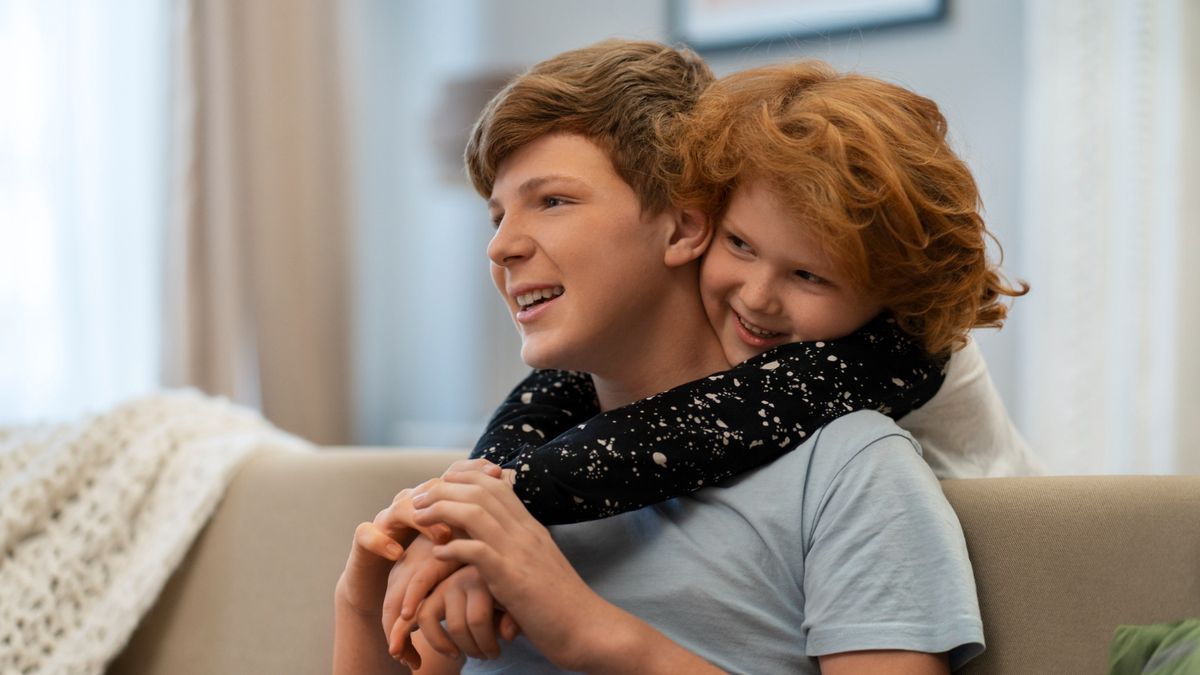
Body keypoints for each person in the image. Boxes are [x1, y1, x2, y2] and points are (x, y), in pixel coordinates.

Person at [338, 40, 1016, 673]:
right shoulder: (523, 473)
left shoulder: (849, 467)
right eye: (496, 216)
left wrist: (591, 632)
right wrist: (362, 606)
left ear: (686, 226)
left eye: (552, 200)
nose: (500, 246)